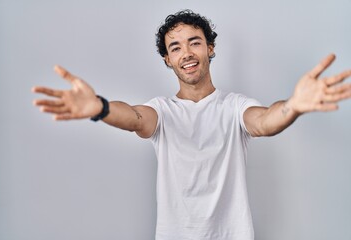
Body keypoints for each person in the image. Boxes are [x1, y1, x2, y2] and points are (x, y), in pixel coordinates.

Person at [32, 9, 351, 240]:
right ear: (167, 60)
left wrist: (293, 106)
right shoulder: (163, 110)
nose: (186, 53)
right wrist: (100, 108)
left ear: (210, 49)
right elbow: (135, 118)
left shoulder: (234, 106)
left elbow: (264, 122)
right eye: (175, 47)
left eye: (195, 42)